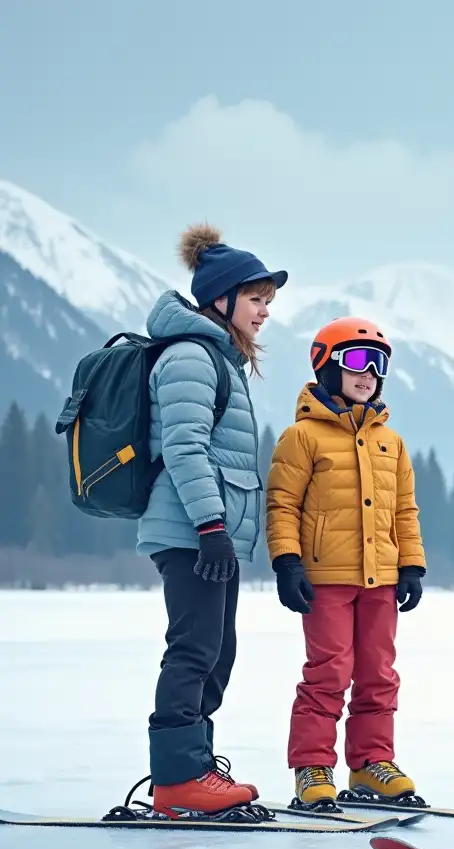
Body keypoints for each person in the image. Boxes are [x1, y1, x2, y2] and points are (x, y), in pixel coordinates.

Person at [137, 224, 287, 817]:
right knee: (194, 648)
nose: (264, 312)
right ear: (220, 299)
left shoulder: (219, 359)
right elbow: (184, 448)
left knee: (216, 651)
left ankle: (194, 768)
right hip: (191, 531)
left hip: (208, 532)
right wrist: (210, 526)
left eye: (268, 302)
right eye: (256, 299)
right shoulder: (191, 358)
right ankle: (177, 781)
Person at [265, 316, 426, 807]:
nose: (368, 373)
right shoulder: (303, 437)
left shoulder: (390, 442)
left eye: (378, 364)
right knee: (328, 673)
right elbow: (282, 504)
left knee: (379, 673)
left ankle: (371, 764)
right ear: (326, 366)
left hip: (381, 577)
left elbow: (404, 509)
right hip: (325, 579)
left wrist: (412, 565)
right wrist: (287, 562)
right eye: (357, 360)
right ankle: (313, 769)